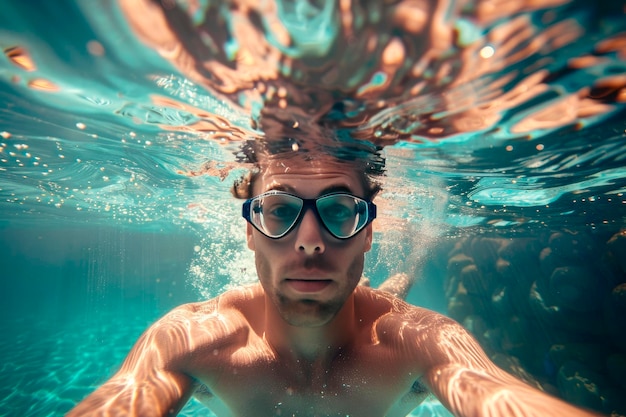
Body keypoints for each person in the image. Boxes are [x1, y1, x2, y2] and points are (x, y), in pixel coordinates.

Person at [68, 138, 602, 417]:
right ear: (250, 232)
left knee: (389, 301)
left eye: (340, 210)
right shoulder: (196, 341)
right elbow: (127, 393)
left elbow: (497, 393)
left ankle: (399, 279)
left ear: (368, 232)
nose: (309, 240)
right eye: (279, 211)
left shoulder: (419, 341)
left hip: (380, 316)